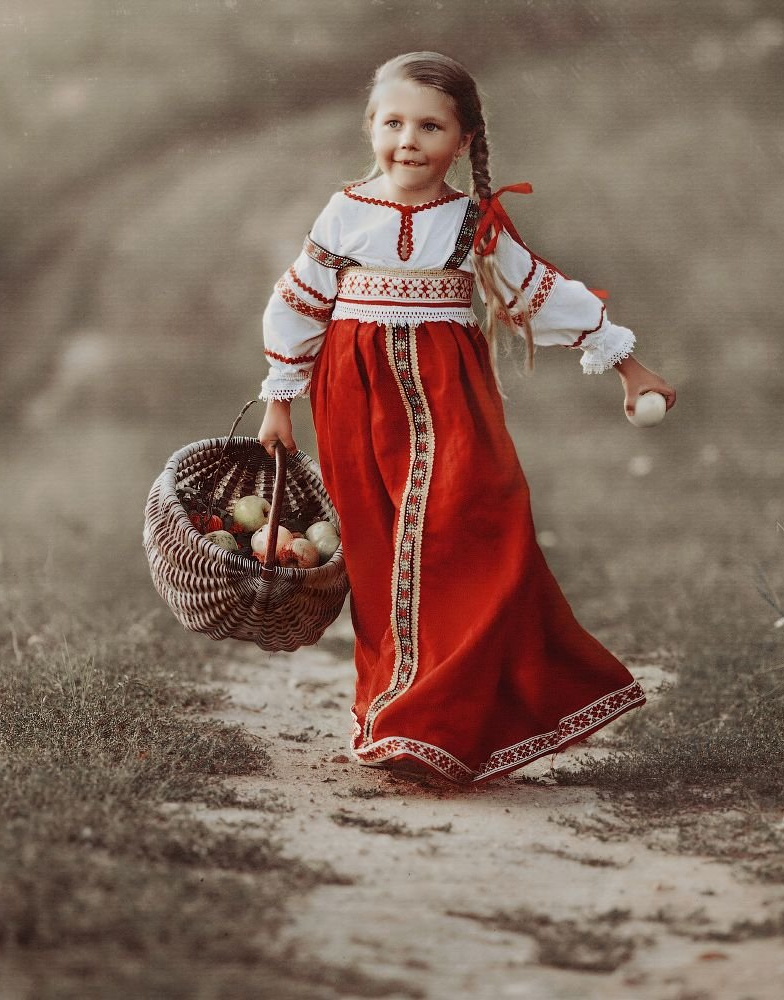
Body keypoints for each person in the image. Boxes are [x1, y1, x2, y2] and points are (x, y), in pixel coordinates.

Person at [254, 51, 677, 785]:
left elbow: (537, 289)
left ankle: (447, 714)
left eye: (430, 125)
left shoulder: (472, 219)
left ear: (465, 140)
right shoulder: (345, 212)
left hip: (450, 392)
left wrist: (626, 363)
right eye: (393, 123)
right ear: (370, 128)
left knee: (482, 521)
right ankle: (395, 715)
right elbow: (299, 303)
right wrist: (279, 400)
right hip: (354, 394)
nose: (409, 140)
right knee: (380, 547)